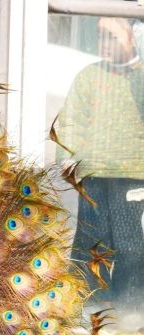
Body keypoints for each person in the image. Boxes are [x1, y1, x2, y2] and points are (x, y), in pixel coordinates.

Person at [55, 17, 144, 313]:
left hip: (134, 177)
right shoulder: (88, 76)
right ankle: (90, 310)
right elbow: (70, 122)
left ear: (131, 35)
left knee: (132, 247)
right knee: (91, 244)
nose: (104, 43)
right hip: (93, 175)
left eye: (112, 36)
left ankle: (129, 312)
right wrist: (73, 156)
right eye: (99, 36)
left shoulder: (141, 77)